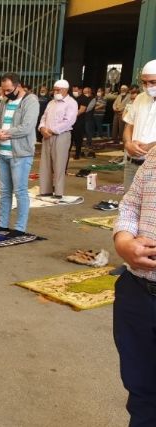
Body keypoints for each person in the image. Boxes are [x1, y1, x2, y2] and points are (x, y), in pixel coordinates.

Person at [112, 61, 156, 425]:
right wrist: (124, 240)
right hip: (139, 291)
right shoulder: (155, 157)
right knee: (141, 392)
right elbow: (130, 203)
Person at [0, 72, 39, 237]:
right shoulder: (4, 101)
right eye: (3, 90)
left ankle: (20, 227)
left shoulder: (30, 101)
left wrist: (5, 133)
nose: (5, 93)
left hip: (20, 154)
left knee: (20, 191)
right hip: (2, 152)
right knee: (4, 191)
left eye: (9, 90)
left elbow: (27, 127)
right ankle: (3, 224)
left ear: (18, 86)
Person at [38, 79, 78, 198]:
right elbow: (43, 117)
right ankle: (46, 190)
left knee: (59, 164)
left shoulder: (71, 103)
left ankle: (58, 192)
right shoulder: (51, 103)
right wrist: (42, 128)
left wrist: (51, 130)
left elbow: (69, 121)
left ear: (65, 90)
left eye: (58, 90)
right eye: (54, 90)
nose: (55, 92)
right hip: (47, 135)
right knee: (45, 164)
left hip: (61, 136)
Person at [122, 60, 156, 192]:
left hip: (153, 166)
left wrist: (148, 147)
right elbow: (129, 124)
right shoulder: (140, 98)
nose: (148, 86)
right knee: (128, 203)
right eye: (144, 82)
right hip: (132, 164)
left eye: (153, 82)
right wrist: (128, 143)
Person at [70, 85, 89, 159]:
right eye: (73, 91)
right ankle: (67, 152)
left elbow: (82, 110)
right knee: (70, 138)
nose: (74, 92)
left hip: (79, 121)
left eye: (75, 90)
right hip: (70, 122)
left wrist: (72, 116)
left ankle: (77, 154)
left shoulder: (84, 98)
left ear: (80, 90)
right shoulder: (71, 98)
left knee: (78, 138)